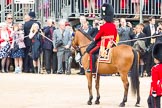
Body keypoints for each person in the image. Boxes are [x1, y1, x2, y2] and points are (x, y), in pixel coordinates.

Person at [86, 3, 117, 73]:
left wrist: (94, 39)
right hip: (112, 44)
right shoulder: (113, 26)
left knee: (91, 52)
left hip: (103, 44)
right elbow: (115, 35)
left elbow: (98, 36)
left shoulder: (103, 26)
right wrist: (113, 41)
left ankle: (92, 69)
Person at [147, 42, 162, 108]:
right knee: (149, 101)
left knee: (155, 105)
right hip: (160, 88)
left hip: (156, 89)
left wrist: (154, 91)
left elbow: (154, 81)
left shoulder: (155, 68)